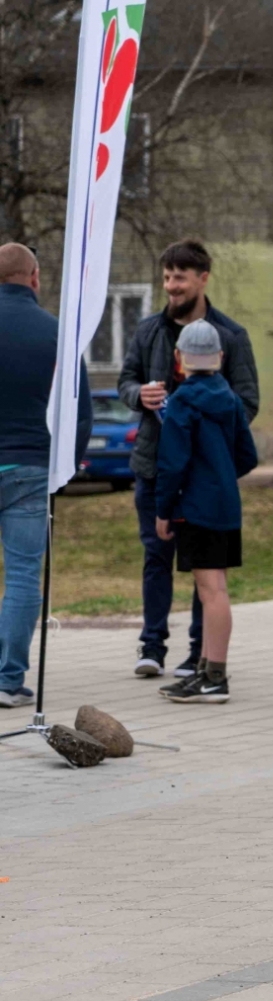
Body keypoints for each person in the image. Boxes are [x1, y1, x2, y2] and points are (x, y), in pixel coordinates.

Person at [118, 239, 259, 680]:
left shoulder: (232, 336)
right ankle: (152, 646)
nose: (171, 286)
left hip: (204, 478)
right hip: (152, 467)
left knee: (205, 567)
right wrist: (139, 396)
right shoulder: (148, 330)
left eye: (179, 277)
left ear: (203, 278)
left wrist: (202, 425)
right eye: (166, 278)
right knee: (156, 556)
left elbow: (247, 402)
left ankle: (200, 653)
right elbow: (125, 381)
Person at [0, 244, 91, 708]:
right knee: (21, 577)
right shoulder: (57, 334)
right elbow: (81, 412)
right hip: (30, 468)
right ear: (34, 277)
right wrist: (65, 468)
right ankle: (7, 679)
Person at [151, 322, 259, 703]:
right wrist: (222, 477)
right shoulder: (229, 399)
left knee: (209, 590)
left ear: (179, 360)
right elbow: (247, 455)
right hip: (225, 506)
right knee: (218, 588)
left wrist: (164, 508)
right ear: (221, 358)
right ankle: (208, 670)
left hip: (195, 508)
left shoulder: (180, 402)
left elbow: (173, 462)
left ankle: (214, 676)